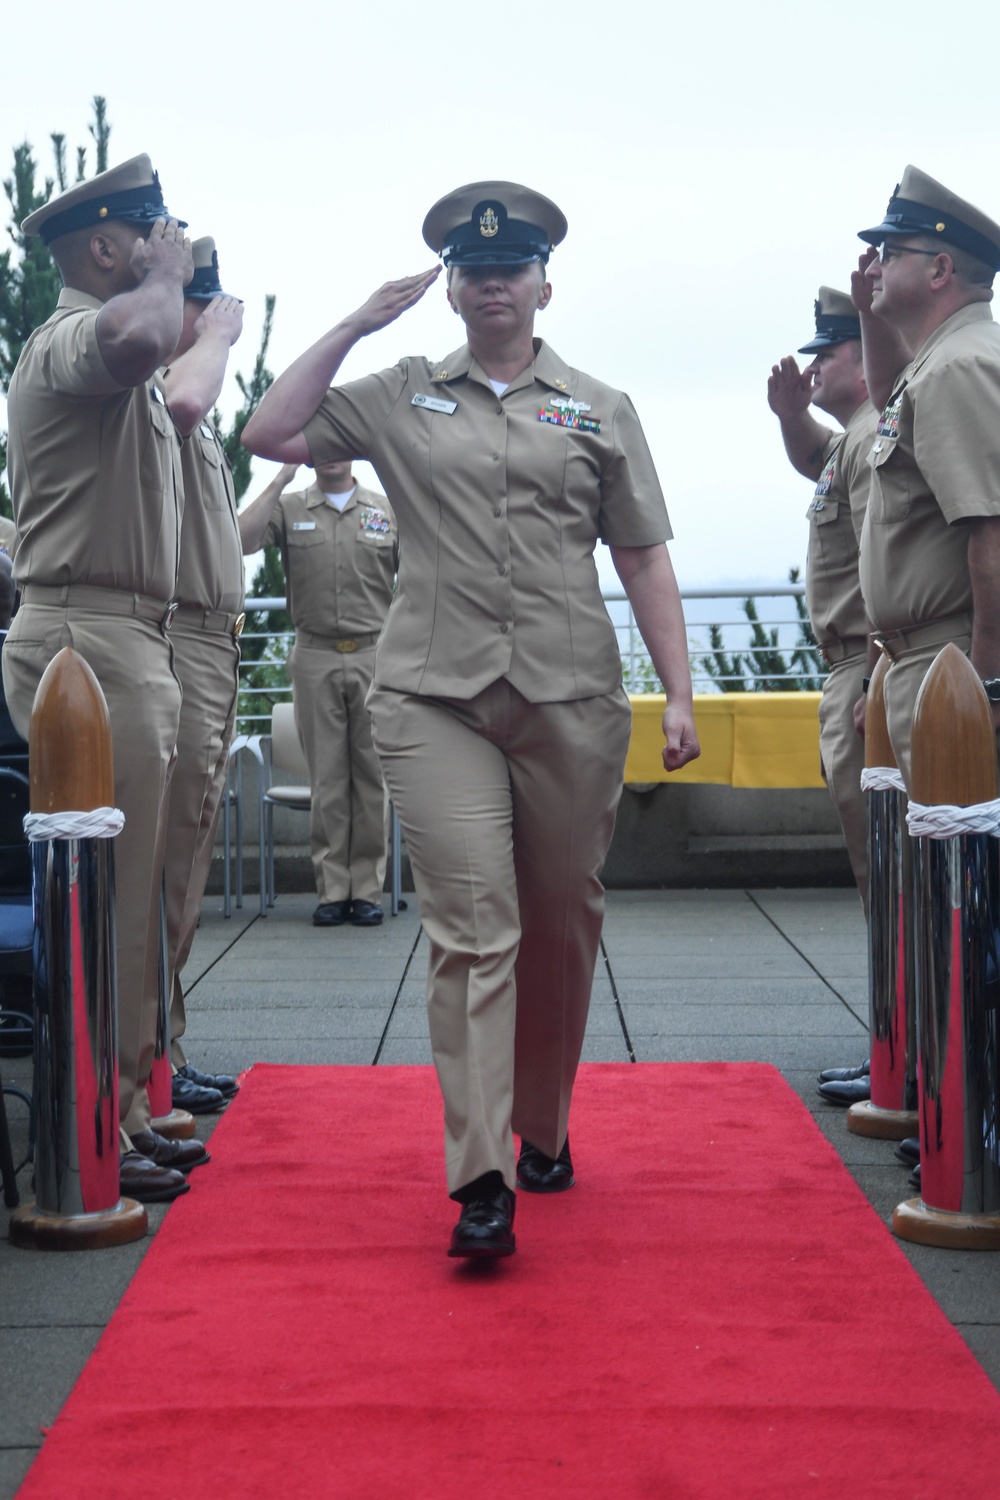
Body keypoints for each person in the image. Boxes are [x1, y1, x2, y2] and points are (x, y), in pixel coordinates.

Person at [243, 180, 700, 1259]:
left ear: (544, 283)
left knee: (559, 920)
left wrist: (677, 692)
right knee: (472, 927)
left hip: (568, 697)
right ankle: (481, 1175)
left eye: (511, 268)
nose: (492, 282)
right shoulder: (399, 392)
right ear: (449, 287)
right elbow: (270, 428)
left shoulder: (597, 405)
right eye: (472, 269)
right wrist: (358, 320)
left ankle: (544, 1128)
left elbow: (640, 555)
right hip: (431, 696)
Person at [2, 155, 195, 1203]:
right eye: (156, 233)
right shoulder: (78, 334)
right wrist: (166, 283)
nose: (174, 244)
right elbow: (136, 336)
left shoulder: (115, 347)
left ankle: (117, 1112)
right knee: (106, 904)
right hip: (86, 635)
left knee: (128, 899)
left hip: (121, 633)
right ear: (108, 246)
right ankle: (94, 1133)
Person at [853, 166, 1000, 784]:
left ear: (939, 270)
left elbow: (992, 537)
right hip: (934, 661)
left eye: (891, 253)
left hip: (954, 664)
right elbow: (891, 400)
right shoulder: (940, 363)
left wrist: (984, 690)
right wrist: (870, 313)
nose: (875, 265)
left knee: (967, 876)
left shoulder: (955, 369)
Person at [767, 288, 877, 1107]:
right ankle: (898, 1049)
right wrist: (788, 414)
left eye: (826, 353)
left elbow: (890, 569)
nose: (814, 366)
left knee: (892, 885)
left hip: (869, 669)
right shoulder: (854, 442)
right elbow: (815, 463)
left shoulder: (879, 434)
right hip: (854, 669)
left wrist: (877, 669)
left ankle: (906, 1058)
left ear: (864, 355)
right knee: (883, 887)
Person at [157, 238, 245, 1119]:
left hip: (211, 641)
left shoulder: (200, 399)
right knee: (168, 861)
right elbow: (182, 398)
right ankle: (150, 1061)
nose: (218, 321)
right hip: (179, 636)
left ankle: (163, 1047)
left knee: (188, 861)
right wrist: (209, 339)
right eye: (207, 308)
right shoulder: (169, 387)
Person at [238, 459, 397, 927]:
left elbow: (426, 574)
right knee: (326, 778)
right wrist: (282, 475)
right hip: (314, 654)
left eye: (340, 440)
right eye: (319, 442)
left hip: (374, 653)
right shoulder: (288, 507)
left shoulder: (385, 510)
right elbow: (242, 541)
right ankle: (332, 891)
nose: (331, 451)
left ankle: (366, 891)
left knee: (371, 778)